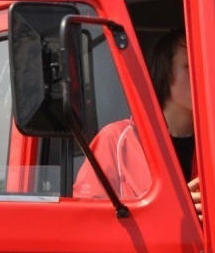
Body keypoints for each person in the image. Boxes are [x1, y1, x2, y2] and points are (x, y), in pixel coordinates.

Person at [74, 30, 202, 218]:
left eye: (207, 68)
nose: (203, 76)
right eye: (190, 67)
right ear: (165, 72)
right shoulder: (115, 140)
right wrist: (165, 214)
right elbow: (87, 221)